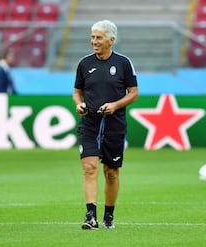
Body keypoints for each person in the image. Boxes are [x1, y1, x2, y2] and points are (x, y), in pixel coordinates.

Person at [73, 20, 138, 230]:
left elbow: (134, 93)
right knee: (89, 168)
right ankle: (91, 216)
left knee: (111, 172)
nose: (94, 41)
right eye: (92, 37)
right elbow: (77, 92)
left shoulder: (123, 63)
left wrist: (115, 105)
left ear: (111, 40)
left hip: (114, 125)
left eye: (98, 37)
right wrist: (79, 104)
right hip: (90, 123)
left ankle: (108, 216)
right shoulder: (84, 64)